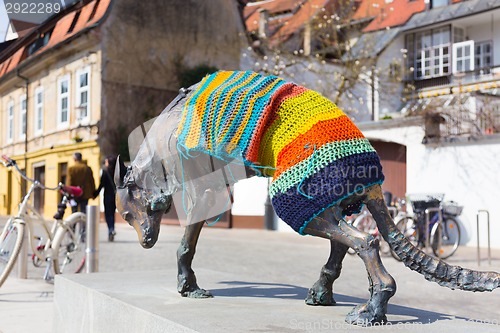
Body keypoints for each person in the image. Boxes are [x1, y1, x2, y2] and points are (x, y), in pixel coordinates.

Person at [94, 156, 117, 241]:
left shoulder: (105, 172)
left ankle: (110, 229)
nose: (105, 163)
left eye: (106, 161)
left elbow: (101, 185)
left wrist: (95, 194)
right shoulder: (117, 172)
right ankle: (112, 229)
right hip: (116, 196)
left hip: (107, 196)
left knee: (108, 214)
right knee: (113, 213)